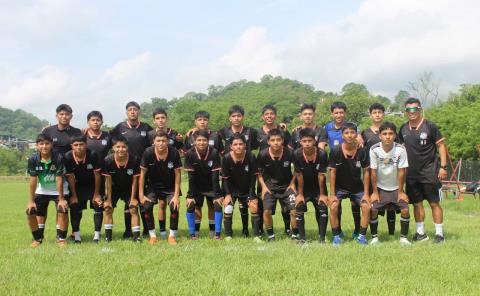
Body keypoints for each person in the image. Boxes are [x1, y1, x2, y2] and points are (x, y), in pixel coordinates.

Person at [398, 97, 447, 243]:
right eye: (409, 109)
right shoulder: (403, 129)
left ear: (420, 109)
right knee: (417, 203)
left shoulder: (430, 126)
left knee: (434, 203)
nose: (412, 112)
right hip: (411, 174)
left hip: (430, 172)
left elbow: (441, 146)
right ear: (405, 111)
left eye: (415, 109)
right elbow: (400, 149)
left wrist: (443, 167)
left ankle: (439, 234)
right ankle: (421, 233)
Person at [110, 101, 152, 238]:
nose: (132, 111)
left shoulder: (146, 128)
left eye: (135, 109)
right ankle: (128, 230)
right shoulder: (119, 127)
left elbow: (159, 139)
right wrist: (86, 131)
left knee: (143, 201)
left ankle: (147, 229)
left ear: (139, 111)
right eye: (130, 110)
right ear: (126, 112)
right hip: (126, 170)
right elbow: (106, 138)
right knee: (130, 201)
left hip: (143, 169)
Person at [324, 101, 363, 239]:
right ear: (332, 114)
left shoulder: (352, 127)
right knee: (336, 204)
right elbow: (319, 138)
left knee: (355, 202)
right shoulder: (327, 127)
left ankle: (358, 231)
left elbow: (359, 139)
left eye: (341, 112)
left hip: (352, 167)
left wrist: (359, 141)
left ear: (345, 114)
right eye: (336, 112)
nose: (339, 115)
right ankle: (338, 232)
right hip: (336, 166)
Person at [369, 122, 411, 245]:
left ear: (395, 135)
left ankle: (403, 238)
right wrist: (375, 192)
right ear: (380, 136)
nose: (388, 136)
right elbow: (373, 171)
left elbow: (402, 171)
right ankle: (374, 238)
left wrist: (401, 191)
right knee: (373, 209)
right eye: (384, 134)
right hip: (380, 188)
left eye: (390, 133)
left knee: (405, 210)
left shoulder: (401, 149)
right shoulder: (374, 149)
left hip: (396, 188)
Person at [328, 123, 370, 245]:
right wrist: (332, 194)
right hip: (340, 188)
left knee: (366, 206)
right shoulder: (335, 150)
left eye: (352, 132)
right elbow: (332, 172)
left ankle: (361, 236)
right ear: (342, 135)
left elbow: (366, 172)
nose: (349, 135)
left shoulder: (362, 151)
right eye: (346, 133)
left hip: (357, 188)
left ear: (356, 134)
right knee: (334, 206)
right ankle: (336, 236)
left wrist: (366, 194)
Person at [139, 131, 181, 245]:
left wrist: (176, 196)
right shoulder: (148, 152)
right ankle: (152, 236)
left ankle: (172, 235)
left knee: (174, 206)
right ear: (154, 142)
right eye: (158, 141)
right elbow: (142, 175)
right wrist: (141, 195)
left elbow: (178, 175)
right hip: (153, 187)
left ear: (167, 141)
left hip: (170, 186)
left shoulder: (174, 152)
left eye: (163, 141)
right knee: (146, 206)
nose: (161, 143)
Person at [26, 134, 69, 247]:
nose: (44, 146)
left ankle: (61, 239)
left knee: (63, 210)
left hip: (59, 190)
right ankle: (37, 239)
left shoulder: (58, 157)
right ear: (37, 146)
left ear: (51, 145)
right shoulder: (33, 159)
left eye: (47, 143)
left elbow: (59, 179)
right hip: (42, 190)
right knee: (30, 212)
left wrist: (61, 199)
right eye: (41, 144)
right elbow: (33, 180)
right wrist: (31, 201)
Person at [361, 103, 397, 235]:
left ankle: (392, 233)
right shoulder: (365, 133)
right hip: (373, 174)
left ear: (383, 114)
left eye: (380, 112)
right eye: (374, 112)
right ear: (370, 115)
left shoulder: (390, 131)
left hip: (390, 174)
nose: (377, 115)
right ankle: (373, 233)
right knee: (373, 204)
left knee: (391, 205)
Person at [257, 128, 297, 242]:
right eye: (273, 140)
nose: (276, 142)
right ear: (268, 141)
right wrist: (264, 187)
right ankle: (271, 236)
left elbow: (297, 170)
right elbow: (258, 172)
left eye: (278, 140)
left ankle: (294, 235)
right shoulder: (263, 154)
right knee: (267, 211)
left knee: (294, 210)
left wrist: (293, 183)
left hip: (287, 187)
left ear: (283, 140)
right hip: (270, 188)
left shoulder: (290, 153)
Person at [184, 129, 223, 240]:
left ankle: (216, 233)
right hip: (196, 186)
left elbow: (215, 176)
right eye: (199, 140)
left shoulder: (214, 152)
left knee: (216, 205)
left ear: (208, 141)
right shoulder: (190, 154)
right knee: (193, 205)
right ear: (195, 141)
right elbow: (191, 177)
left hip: (211, 186)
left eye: (204, 140)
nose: (202, 142)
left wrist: (217, 195)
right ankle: (193, 233)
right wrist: (190, 196)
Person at [101, 136, 141, 242]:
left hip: (129, 188)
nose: (120, 149)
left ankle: (136, 237)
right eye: (117, 147)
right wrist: (108, 199)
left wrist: (133, 198)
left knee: (133, 208)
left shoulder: (134, 159)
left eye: (123, 147)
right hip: (114, 188)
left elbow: (135, 181)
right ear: (113, 148)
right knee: (108, 209)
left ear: (127, 147)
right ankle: (108, 238)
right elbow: (108, 182)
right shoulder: (108, 160)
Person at [293, 128, 329, 244]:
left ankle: (322, 238)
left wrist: (323, 194)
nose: (307, 143)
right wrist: (300, 194)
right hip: (303, 187)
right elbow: (299, 175)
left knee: (322, 207)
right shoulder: (297, 154)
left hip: (318, 188)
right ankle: (302, 239)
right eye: (304, 141)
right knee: (299, 207)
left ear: (314, 141)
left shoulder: (322, 154)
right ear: (300, 142)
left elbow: (321, 176)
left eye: (310, 140)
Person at [64, 135, 102, 243]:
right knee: (75, 206)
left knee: (97, 205)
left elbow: (97, 175)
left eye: (81, 144)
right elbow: (70, 177)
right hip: (78, 185)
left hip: (94, 185)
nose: (79, 147)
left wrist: (96, 194)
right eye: (76, 145)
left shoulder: (93, 154)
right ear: (72, 146)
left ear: (86, 145)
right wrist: (74, 196)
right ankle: (76, 236)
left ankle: (96, 236)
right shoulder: (67, 157)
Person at [221, 133, 260, 240]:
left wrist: (252, 195)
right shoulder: (226, 158)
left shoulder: (250, 156)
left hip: (247, 188)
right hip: (231, 189)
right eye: (235, 144)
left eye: (241, 144)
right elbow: (225, 179)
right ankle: (228, 235)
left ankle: (253, 234)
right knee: (228, 208)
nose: (238, 146)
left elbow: (253, 178)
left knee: (253, 207)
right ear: (231, 146)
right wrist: (227, 195)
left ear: (245, 145)